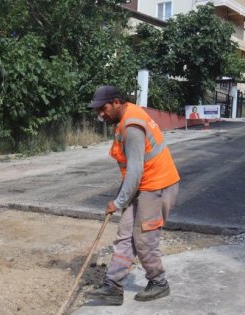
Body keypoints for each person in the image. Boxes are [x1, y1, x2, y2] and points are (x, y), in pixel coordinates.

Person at [85, 86, 180, 306]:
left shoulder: (132, 126)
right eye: (98, 110)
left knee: (144, 238)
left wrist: (118, 202)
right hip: (142, 186)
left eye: (103, 108)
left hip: (157, 187)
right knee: (125, 235)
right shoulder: (123, 119)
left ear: (117, 102)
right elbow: (132, 172)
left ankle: (159, 282)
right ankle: (113, 286)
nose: (100, 114)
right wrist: (120, 198)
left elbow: (135, 172)